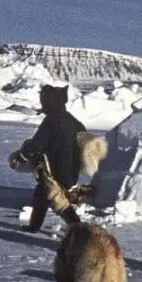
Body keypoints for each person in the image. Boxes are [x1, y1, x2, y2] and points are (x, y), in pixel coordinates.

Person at [19, 85, 85, 232]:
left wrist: (24, 152)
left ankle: (79, 229)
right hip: (71, 169)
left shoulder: (51, 121)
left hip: (54, 169)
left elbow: (37, 144)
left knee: (55, 200)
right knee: (42, 196)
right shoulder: (73, 121)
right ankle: (34, 227)